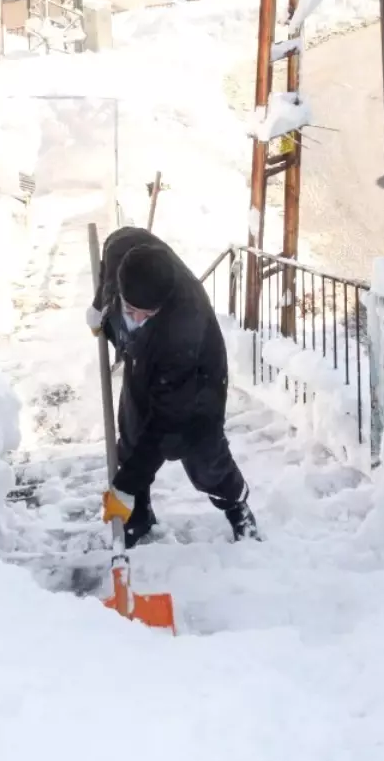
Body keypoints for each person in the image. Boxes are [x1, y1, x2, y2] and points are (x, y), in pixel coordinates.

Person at [86, 226, 261, 548]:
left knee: (202, 453)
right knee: (133, 431)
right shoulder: (122, 250)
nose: (137, 318)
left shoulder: (183, 325)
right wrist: (100, 307)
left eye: (147, 314)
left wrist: (125, 483)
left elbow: (167, 420)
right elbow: (110, 255)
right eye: (130, 310)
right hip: (143, 357)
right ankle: (139, 514)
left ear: (162, 305)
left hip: (195, 378)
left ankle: (237, 508)